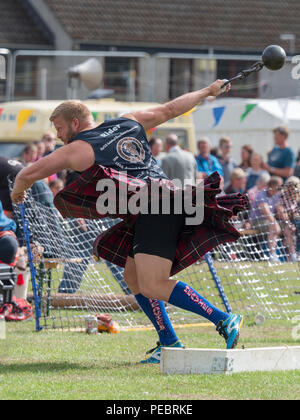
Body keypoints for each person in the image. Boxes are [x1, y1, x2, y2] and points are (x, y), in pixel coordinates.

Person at [11, 79, 247, 364]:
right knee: (133, 277)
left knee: (153, 283)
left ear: (75, 122)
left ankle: (223, 319)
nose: (59, 135)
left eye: (60, 128)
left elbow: (28, 173)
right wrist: (208, 92)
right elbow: (171, 109)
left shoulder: (79, 148)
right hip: (163, 200)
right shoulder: (128, 121)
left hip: (156, 206)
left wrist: (17, 192)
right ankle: (169, 342)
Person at [250, 176, 283, 262]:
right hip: (257, 222)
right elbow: (266, 212)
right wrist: (275, 223)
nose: (280, 188)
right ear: (272, 186)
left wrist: (288, 221)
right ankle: (272, 255)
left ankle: (292, 255)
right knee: (273, 227)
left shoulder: (276, 196)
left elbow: (280, 211)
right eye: (279, 186)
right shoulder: (262, 194)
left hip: (269, 221)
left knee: (288, 227)